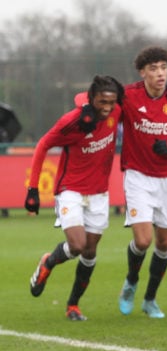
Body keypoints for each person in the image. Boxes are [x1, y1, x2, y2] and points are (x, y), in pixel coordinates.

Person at [25, 75, 124, 320]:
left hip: (99, 193)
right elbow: (43, 145)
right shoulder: (72, 121)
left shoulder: (116, 111)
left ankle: (73, 305)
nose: (108, 107)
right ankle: (48, 262)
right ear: (92, 99)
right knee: (78, 246)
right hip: (71, 190)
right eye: (102, 102)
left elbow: (134, 95)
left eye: (111, 102)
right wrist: (33, 190)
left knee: (90, 253)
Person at [117, 46, 167, 319]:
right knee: (143, 240)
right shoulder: (129, 96)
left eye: (163, 68)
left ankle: (150, 299)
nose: (160, 73)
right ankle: (131, 282)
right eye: (154, 69)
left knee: (164, 243)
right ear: (143, 72)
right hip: (137, 176)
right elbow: (99, 102)